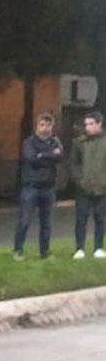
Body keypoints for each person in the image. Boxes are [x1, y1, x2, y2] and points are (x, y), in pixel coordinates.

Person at [16, 113, 64, 260]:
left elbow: (60, 156)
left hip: (48, 187)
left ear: (52, 126)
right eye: (42, 125)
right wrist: (49, 155)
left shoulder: (55, 141)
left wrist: (42, 155)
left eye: (48, 125)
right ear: (37, 125)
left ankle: (45, 251)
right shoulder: (29, 142)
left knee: (46, 222)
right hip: (31, 186)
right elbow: (32, 159)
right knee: (25, 220)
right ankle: (18, 249)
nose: (45, 128)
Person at [70, 110, 106, 259]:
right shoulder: (79, 142)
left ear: (99, 124)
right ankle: (80, 248)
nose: (88, 127)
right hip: (83, 188)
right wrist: (80, 180)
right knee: (81, 219)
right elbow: (73, 164)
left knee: (100, 218)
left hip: (102, 188)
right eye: (86, 124)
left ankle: (98, 247)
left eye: (91, 124)